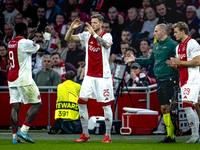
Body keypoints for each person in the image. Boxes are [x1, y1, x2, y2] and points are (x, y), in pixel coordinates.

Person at [125, 23, 179, 143]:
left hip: (170, 79)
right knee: (163, 107)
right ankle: (170, 136)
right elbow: (150, 60)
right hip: (160, 80)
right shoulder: (156, 46)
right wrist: (135, 59)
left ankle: (174, 134)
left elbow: (180, 62)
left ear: (163, 32)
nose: (153, 33)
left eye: (156, 31)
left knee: (170, 108)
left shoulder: (174, 45)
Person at [65, 14, 114, 143]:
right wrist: (71, 28)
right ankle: (85, 134)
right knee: (81, 102)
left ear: (101, 24)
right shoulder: (87, 36)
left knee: (105, 105)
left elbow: (107, 45)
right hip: (89, 76)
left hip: (103, 77)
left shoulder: (106, 35)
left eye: (96, 22)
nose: (93, 25)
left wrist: (94, 34)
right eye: (92, 22)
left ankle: (107, 135)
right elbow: (68, 38)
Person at [7, 22, 51, 143]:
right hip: (23, 78)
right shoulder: (24, 43)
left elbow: (23, 44)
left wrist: (29, 36)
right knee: (38, 104)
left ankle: (15, 138)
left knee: (15, 107)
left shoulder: (11, 42)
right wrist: (47, 35)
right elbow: (43, 48)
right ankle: (24, 130)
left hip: (12, 78)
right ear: (24, 31)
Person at [167, 21, 200, 143]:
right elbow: (181, 65)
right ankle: (196, 135)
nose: (174, 34)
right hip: (185, 78)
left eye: (176, 32)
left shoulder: (193, 43)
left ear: (183, 31)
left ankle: (195, 135)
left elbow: (197, 62)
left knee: (186, 105)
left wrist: (179, 62)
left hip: (193, 78)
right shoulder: (178, 46)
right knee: (191, 106)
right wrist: (174, 65)